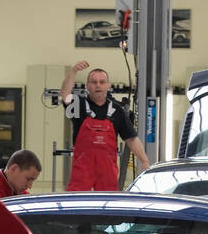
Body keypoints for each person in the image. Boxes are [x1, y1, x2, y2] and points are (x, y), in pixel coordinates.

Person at [60, 61, 151, 192]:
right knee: (77, 205)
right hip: (82, 172)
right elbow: (65, 95)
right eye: (94, 82)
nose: (98, 85)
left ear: (108, 86)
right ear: (87, 86)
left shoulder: (117, 110)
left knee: (107, 206)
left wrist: (144, 161)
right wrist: (73, 71)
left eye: (102, 82)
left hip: (107, 174)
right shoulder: (78, 106)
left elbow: (131, 138)